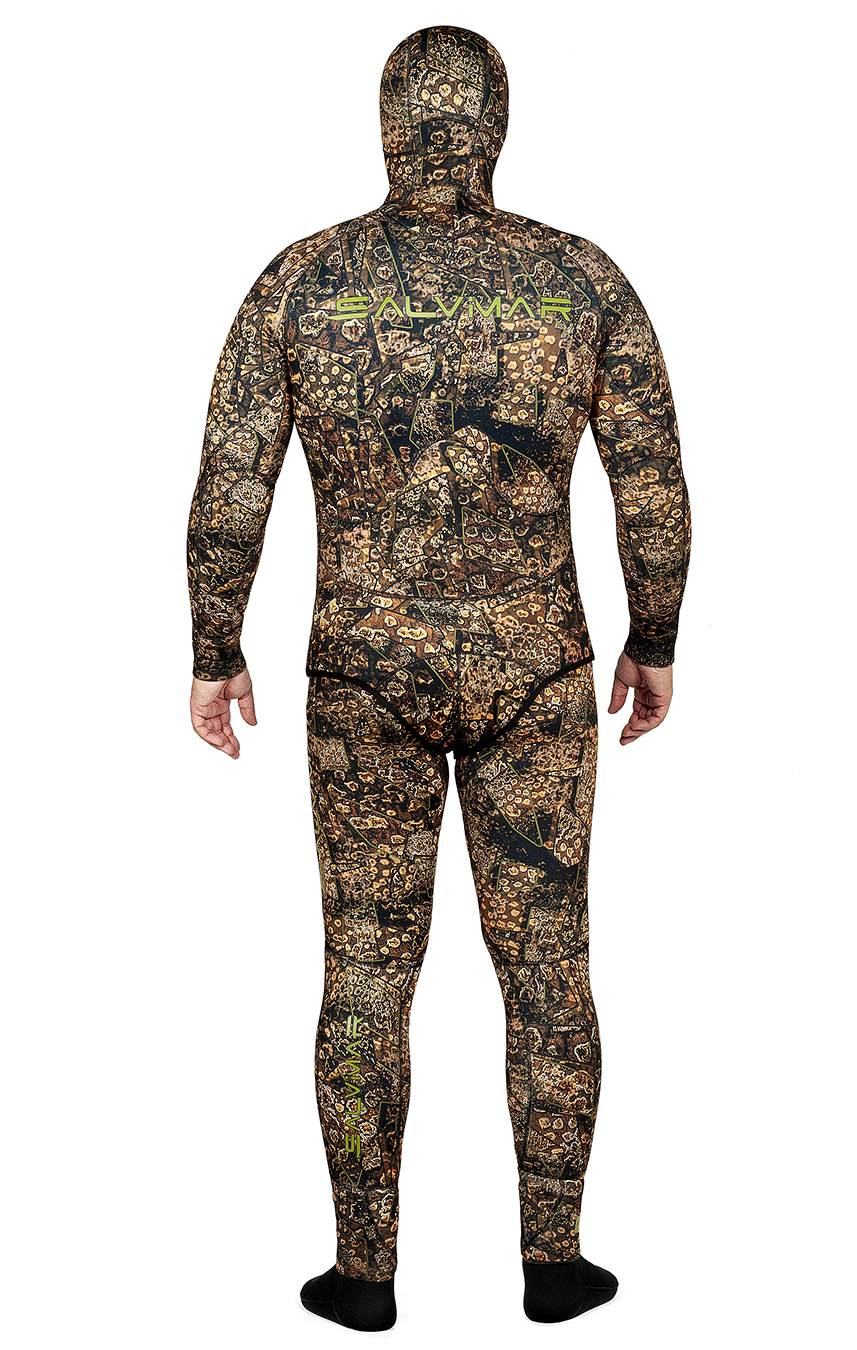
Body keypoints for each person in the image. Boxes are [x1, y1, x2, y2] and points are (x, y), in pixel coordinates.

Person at [187, 23, 690, 1331]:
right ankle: (554, 1264)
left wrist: (213, 646)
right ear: (498, 126)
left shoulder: (304, 282)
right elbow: (653, 486)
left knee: (364, 972)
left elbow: (230, 484)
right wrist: (655, 638)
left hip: (364, 668)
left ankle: (364, 1275)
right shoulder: (578, 281)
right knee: (549, 969)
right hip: (536, 665)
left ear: (388, 125)